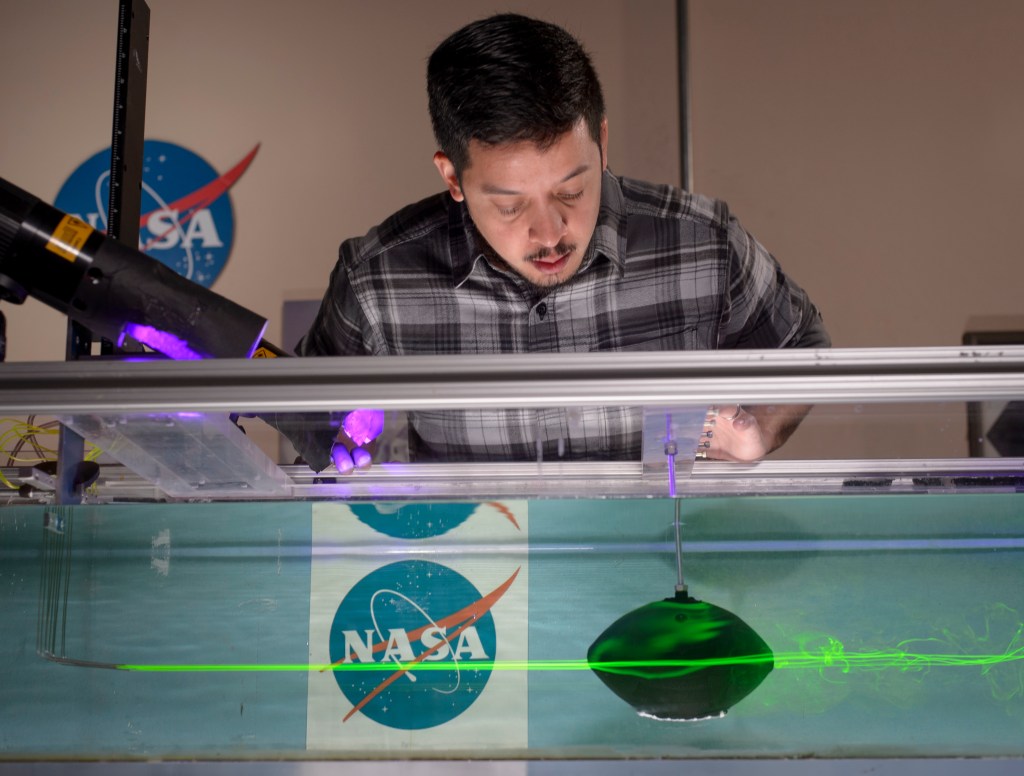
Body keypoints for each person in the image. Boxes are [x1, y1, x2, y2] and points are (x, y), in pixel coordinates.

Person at [296, 13, 830, 471]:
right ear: (453, 178)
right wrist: (338, 445)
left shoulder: (702, 243)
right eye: (510, 205)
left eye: (572, 190)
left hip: (662, 568)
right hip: (472, 576)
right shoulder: (379, 281)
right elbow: (304, 410)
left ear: (601, 142)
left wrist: (758, 427)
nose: (550, 233)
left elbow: (802, 346)